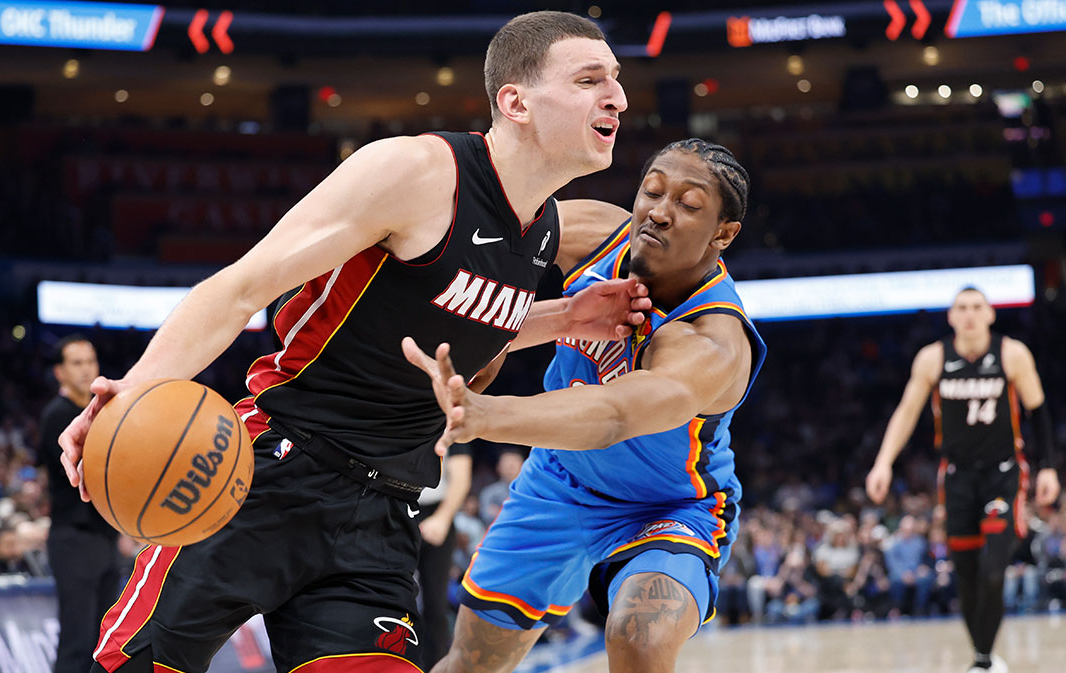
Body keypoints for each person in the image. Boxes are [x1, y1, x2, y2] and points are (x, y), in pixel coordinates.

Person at [58, 11, 648, 673]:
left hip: (380, 517)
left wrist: (565, 316)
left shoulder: (542, 231)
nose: (618, 97)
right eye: (591, 79)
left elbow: (447, 326)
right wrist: (129, 391)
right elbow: (241, 287)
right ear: (515, 102)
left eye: (618, 81)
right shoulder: (418, 172)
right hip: (270, 472)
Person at [406, 139, 765, 673]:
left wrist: (484, 414)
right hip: (559, 482)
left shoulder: (711, 342)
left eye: (688, 205)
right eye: (653, 191)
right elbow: (485, 246)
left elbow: (615, 415)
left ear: (724, 233)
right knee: (469, 664)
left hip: (667, 508)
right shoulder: (594, 234)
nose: (660, 213)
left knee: (637, 637)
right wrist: (495, 337)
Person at [865, 286, 1060, 673]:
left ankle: (984, 662)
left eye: (976, 307)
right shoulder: (933, 358)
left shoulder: (1012, 353)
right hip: (955, 479)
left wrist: (1049, 467)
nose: (969, 314)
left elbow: (1038, 411)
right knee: (967, 577)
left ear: (990, 314)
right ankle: (982, 658)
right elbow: (907, 411)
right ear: (951, 317)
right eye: (962, 308)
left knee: (992, 570)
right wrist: (883, 462)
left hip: (1003, 474)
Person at [37, 335, 122, 673]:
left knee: (103, 645)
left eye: (91, 360)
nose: (86, 368)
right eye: (76, 362)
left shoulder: (99, 413)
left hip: (103, 538)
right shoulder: (59, 417)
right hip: (74, 538)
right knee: (77, 642)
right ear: (59, 372)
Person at [415, 443, 472, 667]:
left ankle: (435, 666)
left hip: (437, 512)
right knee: (393, 600)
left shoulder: (450, 425)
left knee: (436, 606)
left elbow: (461, 477)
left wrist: (443, 518)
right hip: (395, 511)